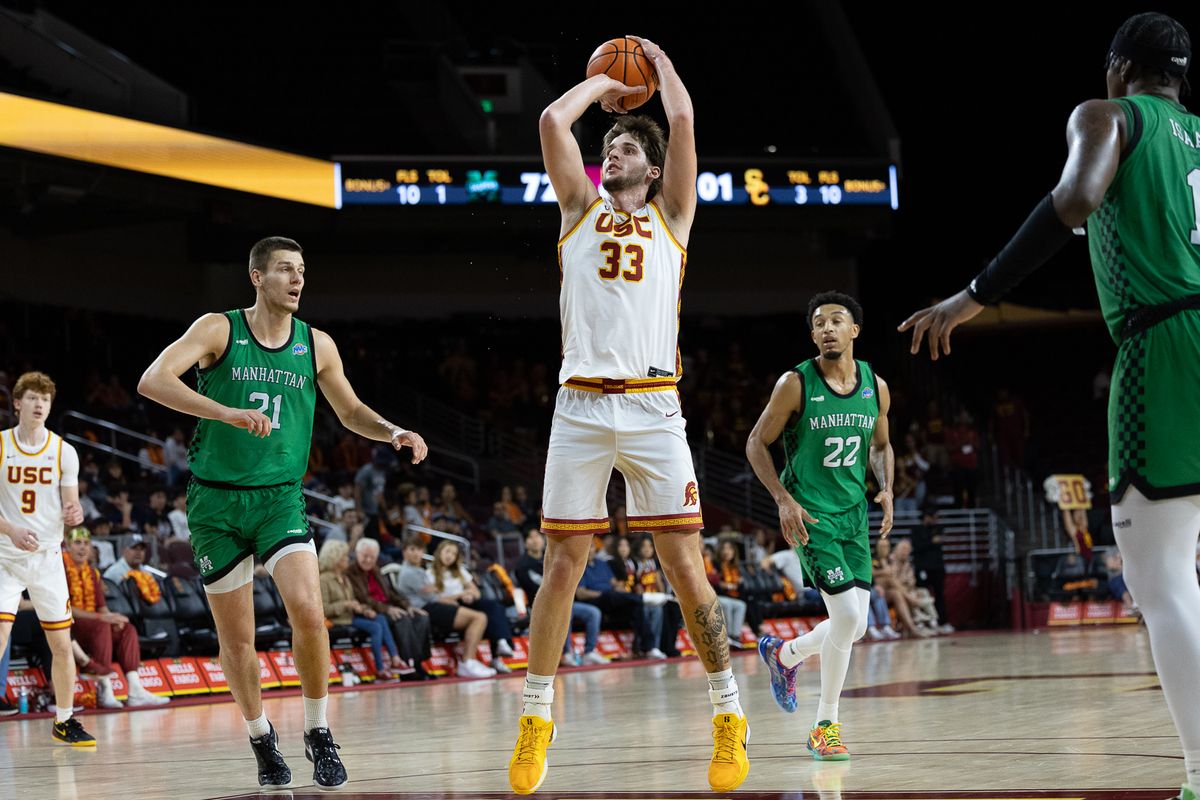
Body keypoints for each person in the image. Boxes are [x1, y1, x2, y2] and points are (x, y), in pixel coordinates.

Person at [896, 13, 1200, 798]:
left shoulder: (1108, 115)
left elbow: (1077, 197)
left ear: (1118, 68)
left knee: (1162, 578)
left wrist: (973, 297)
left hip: (1166, 348)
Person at [510, 35, 748, 795]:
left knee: (686, 568)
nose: (611, 154)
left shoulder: (674, 216)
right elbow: (552, 122)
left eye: (623, 149)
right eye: (606, 147)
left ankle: (727, 713)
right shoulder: (577, 207)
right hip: (579, 405)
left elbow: (679, 115)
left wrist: (657, 64)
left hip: (653, 406)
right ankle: (536, 722)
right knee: (562, 569)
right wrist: (605, 86)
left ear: (651, 166)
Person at [137, 235, 428, 789]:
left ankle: (318, 731)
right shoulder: (218, 329)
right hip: (214, 504)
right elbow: (153, 380)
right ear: (257, 276)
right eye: (286, 270)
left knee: (309, 611)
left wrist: (392, 430)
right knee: (238, 640)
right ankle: (260, 737)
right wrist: (226, 412)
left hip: (279, 499)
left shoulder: (316, 344)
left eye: (302, 271)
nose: (297, 280)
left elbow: (349, 410)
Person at [746, 291, 895, 761]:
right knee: (848, 619)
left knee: (856, 627)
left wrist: (886, 487)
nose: (827, 328)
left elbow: (880, 445)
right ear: (813, 335)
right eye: (818, 323)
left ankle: (784, 655)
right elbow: (756, 443)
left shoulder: (876, 384)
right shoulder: (795, 383)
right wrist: (783, 499)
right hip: (811, 514)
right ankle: (824, 724)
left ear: (855, 330)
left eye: (836, 320)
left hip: (854, 515)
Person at [0, 371, 95, 745]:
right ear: (17, 403)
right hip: (5, 555)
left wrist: (76, 514)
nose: (40, 404)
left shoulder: (62, 451)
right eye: (33, 398)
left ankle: (64, 720)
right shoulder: (1, 445)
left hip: (47, 558)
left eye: (46, 399)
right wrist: (11, 530)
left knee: (60, 642)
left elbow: (71, 504)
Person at [62, 526, 168, 708]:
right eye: (77, 543)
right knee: (102, 626)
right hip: (69, 627)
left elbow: (102, 609)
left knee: (127, 629)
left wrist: (114, 617)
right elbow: (65, 608)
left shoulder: (93, 573)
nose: (82, 548)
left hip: (93, 625)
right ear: (68, 547)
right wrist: (102, 619)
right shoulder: (60, 569)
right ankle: (105, 689)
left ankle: (135, 690)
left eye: (86, 543)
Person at [392, 536, 494, 678]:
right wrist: (449, 599)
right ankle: (468, 661)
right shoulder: (409, 573)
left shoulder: (417, 570)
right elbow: (431, 597)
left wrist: (442, 596)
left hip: (431, 606)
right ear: (404, 552)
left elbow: (434, 593)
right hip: (426, 608)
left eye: (420, 549)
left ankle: (474, 659)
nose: (416, 553)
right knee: (479, 617)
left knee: (483, 612)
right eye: (412, 549)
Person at [514, 529, 607, 667]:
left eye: (537, 537)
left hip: (564, 600)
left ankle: (589, 652)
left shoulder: (550, 556)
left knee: (593, 612)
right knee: (564, 612)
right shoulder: (522, 565)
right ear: (525, 543)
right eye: (530, 537)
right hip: (540, 606)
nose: (535, 540)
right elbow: (536, 588)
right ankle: (565, 653)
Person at [346, 537, 432, 680]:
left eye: (372, 557)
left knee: (422, 618)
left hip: (388, 606)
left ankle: (419, 662)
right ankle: (407, 667)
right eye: (364, 556)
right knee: (402, 619)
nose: (368, 560)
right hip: (375, 611)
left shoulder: (376, 570)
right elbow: (363, 598)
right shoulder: (351, 572)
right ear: (357, 554)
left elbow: (391, 593)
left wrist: (407, 606)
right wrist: (387, 609)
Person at [318, 540, 402, 681]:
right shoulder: (323, 580)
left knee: (379, 618)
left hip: (349, 617)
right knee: (376, 627)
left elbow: (353, 602)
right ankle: (380, 669)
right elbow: (323, 609)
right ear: (335, 558)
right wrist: (345, 605)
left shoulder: (344, 578)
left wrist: (365, 610)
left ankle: (395, 659)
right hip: (336, 620)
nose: (348, 559)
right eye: (344, 556)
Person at [427, 541, 514, 674]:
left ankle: (501, 643)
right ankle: (487, 655)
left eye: (454, 554)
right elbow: (435, 599)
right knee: (483, 616)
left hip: (465, 602)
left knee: (494, 606)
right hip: (448, 606)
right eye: (447, 552)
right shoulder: (430, 573)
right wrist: (461, 594)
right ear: (439, 552)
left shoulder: (460, 571)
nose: (450, 556)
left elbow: (476, 592)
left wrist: (471, 596)